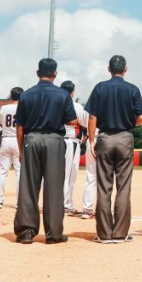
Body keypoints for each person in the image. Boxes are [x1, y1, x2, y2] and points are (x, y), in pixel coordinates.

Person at [14, 57, 78, 245]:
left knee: (28, 187)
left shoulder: (26, 95)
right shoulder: (62, 94)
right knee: (54, 187)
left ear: (37, 73)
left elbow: (20, 126)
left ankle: (26, 232)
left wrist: (21, 149)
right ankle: (54, 234)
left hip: (31, 139)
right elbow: (72, 121)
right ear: (55, 73)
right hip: (54, 140)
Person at [85, 55, 142, 244]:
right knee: (124, 187)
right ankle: (120, 233)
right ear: (125, 69)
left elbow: (93, 117)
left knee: (104, 187)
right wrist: (129, 124)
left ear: (108, 68)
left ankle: (104, 234)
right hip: (125, 137)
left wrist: (92, 140)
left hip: (104, 137)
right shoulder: (133, 89)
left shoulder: (99, 88)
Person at [59, 81, 88, 216]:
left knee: (57, 174)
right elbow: (87, 122)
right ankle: (66, 205)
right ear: (72, 92)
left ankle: (59, 203)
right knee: (69, 175)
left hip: (56, 140)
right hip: (70, 141)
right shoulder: (75, 105)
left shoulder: (56, 102)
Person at [0, 88, 23, 208]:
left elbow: (0, 124)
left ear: (11, 96)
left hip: (5, 139)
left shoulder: (4, 108)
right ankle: (19, 202)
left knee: (2, 171)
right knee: (19, 171)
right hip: (18, 139)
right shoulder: (23, 107)